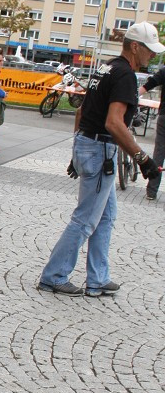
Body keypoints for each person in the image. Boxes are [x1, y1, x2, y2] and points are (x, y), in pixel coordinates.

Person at [38, 22, 163, 297]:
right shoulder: (125, 75)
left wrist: (76, 152)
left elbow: (83, 111)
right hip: (101, 149)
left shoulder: (105, 67)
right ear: (134, 46)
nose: (152, 56)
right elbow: (114, 123)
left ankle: (97, 277)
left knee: (105, 216)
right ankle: (54, 275)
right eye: (149, 50)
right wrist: (143, 159)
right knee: (85, 220)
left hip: (89, 143)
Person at [139, 62, 165, 200]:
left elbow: (147, 86)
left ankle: (152, 191)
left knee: (159, 152)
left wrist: (131, 96)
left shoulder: (163, 71)